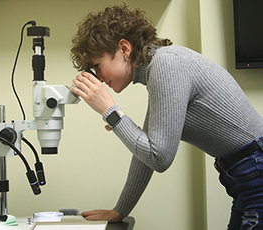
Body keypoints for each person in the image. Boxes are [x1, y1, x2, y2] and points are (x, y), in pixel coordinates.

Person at [69, 4, 263, 229]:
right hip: (247, 174)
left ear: (124, 48)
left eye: (98, 66)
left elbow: (159, 158)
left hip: (256, 170)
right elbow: (146, 156)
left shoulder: (166, 64)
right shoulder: (158, 68)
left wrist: (110, 110)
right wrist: (119, 211)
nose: (99, 78)